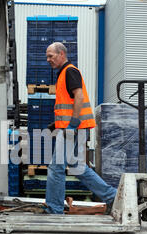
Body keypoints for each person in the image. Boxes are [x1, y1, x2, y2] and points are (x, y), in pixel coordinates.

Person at [44, 42, 117, 214]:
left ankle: (54, 209)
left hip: (73, 128)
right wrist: (58, 124)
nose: (48, 60)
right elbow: (69, 103)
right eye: (47, 57)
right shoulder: (64, 73)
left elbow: (79, 96)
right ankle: (112, 196)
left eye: (51, 56)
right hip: (73, 127)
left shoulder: (70, 71)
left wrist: (73, 124)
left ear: (61, 54)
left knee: (56, 168)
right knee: (77, 167)